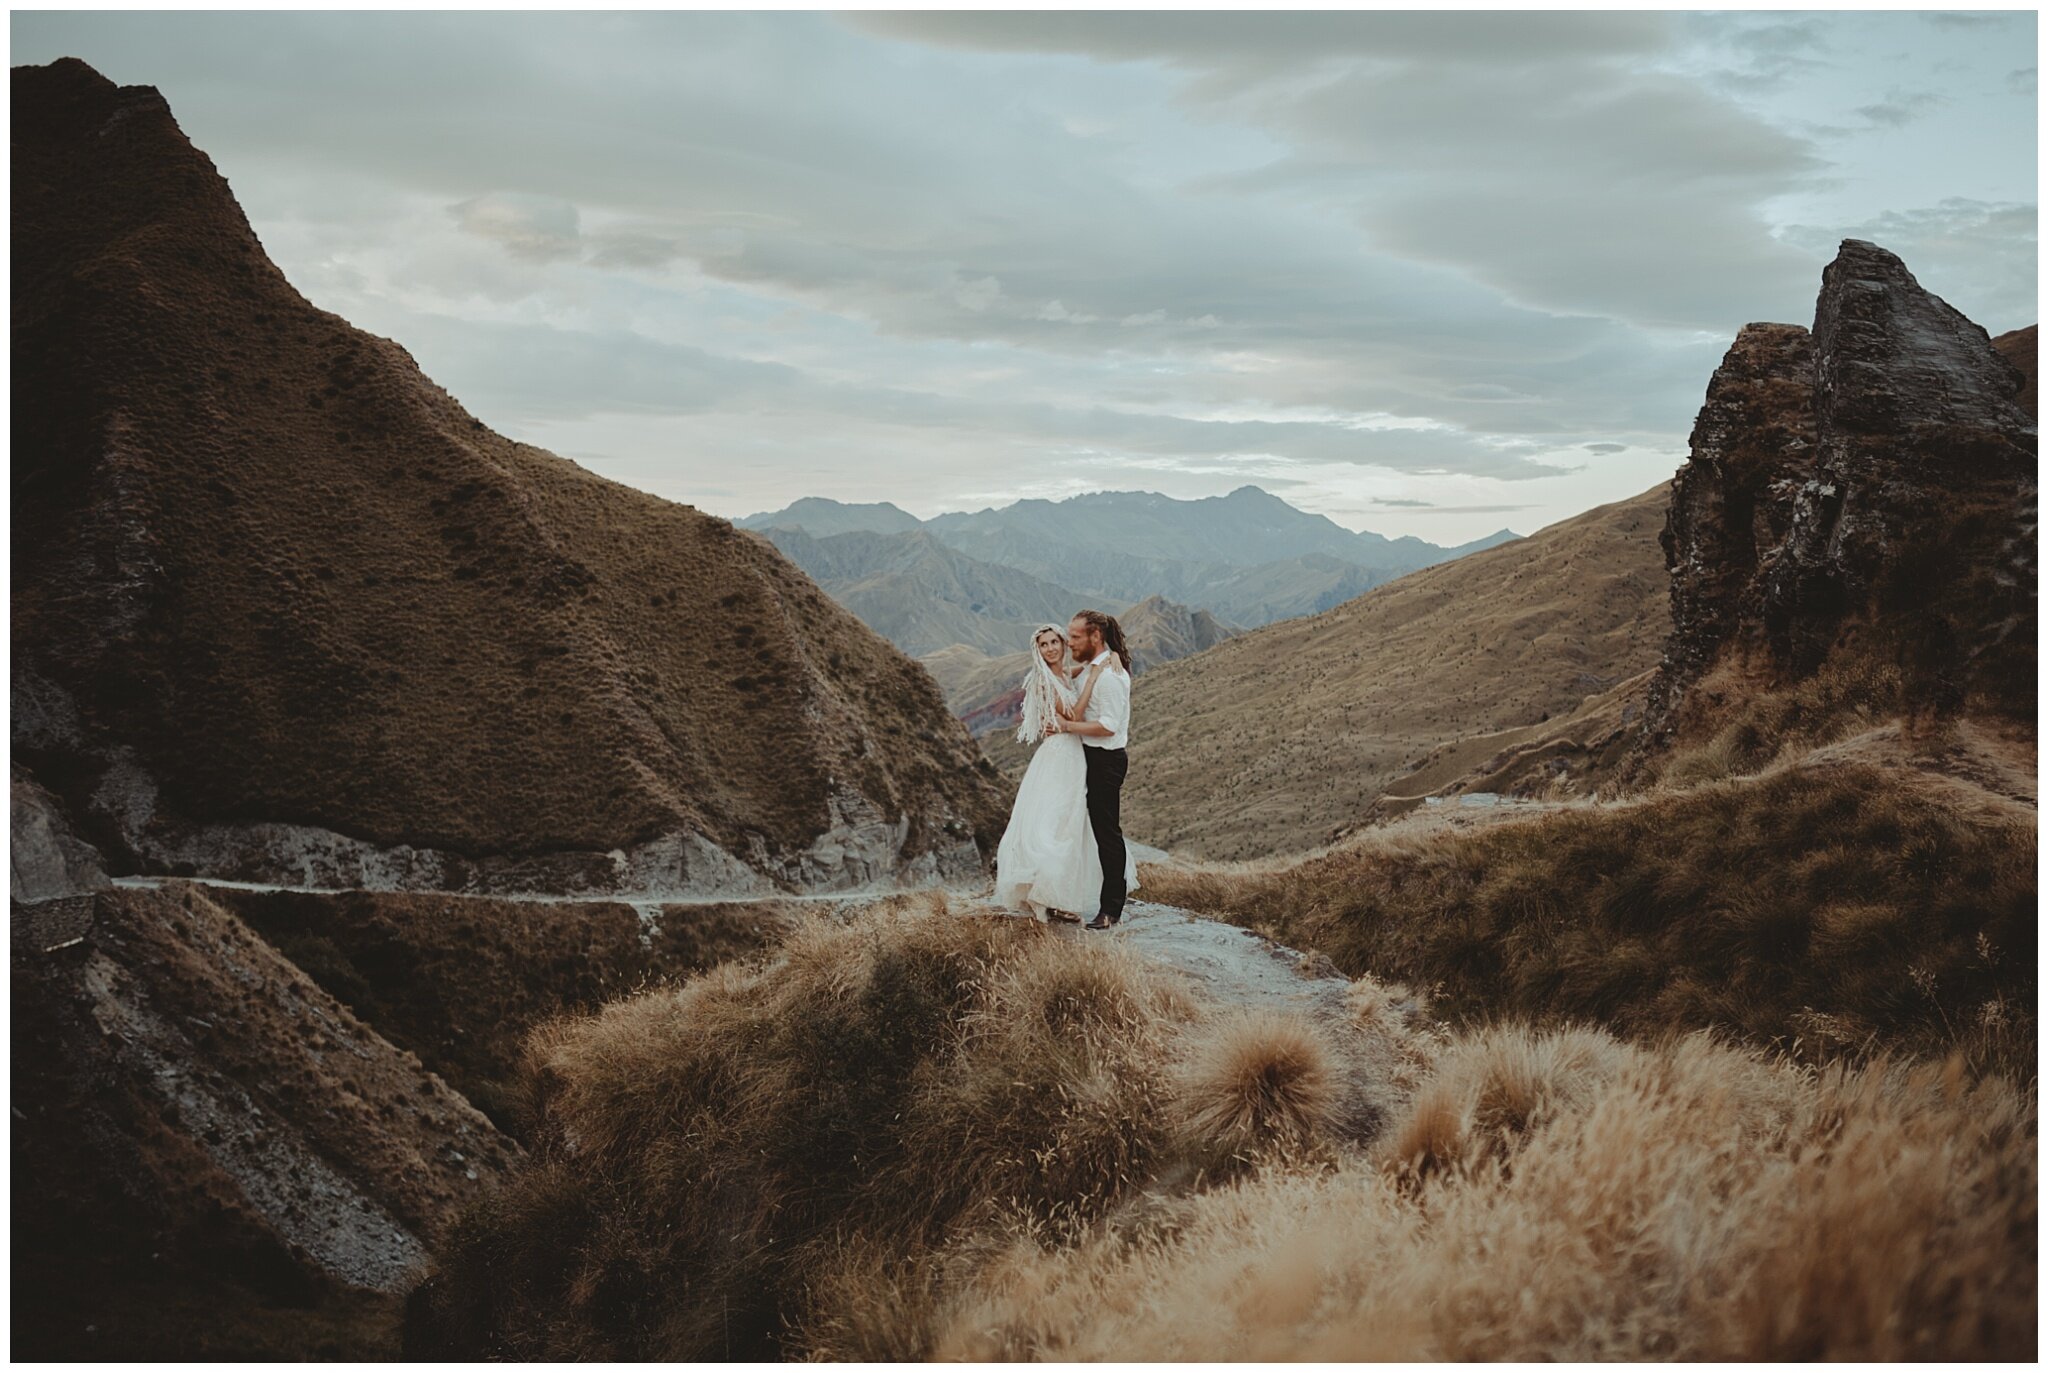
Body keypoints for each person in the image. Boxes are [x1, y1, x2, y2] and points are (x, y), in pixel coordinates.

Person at [991, 622, 1138, 925]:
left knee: (1069, 824)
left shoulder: (1064, 673)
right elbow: (1073, 715)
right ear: (1038, 650)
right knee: (1054, 824)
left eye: (1055, 642)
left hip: (1076, 755)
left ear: (1062, 643)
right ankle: (1045, 896)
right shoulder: (1043, 680)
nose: (1050, 648)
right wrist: (1096, 675)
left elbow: (1080, 674)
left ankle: (1056, 897)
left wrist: (1111, 658)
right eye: (1043, 645)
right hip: (1060, 755)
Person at [1061, 609, 1133, 928]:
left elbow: (1107, 726)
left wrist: (1068, 727)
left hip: (1106, 762)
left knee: (1107, 834)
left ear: (1095, 637)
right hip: (1089, 758)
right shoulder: (1096, 667)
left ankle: (1111, 909)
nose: (1069, 641)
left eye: (1075, 636)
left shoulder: (1110, 676)